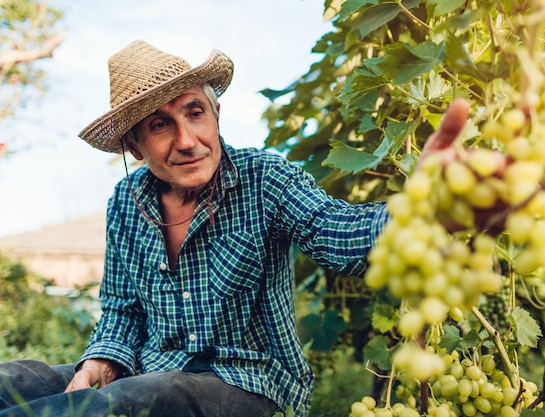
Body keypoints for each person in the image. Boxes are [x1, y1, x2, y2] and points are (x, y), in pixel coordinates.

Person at [0, 40, 471, 417]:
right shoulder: (126, 202)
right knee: (18, 381)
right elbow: (122, 311)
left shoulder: (265, 178)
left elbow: (336, 233)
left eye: (195, 112)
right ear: (136, 146)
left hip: (252, 384)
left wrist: (419, 208)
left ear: (216, 113)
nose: (187, 141)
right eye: (160, 125)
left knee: (139, 400)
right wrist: (98, 363)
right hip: (151, 372)